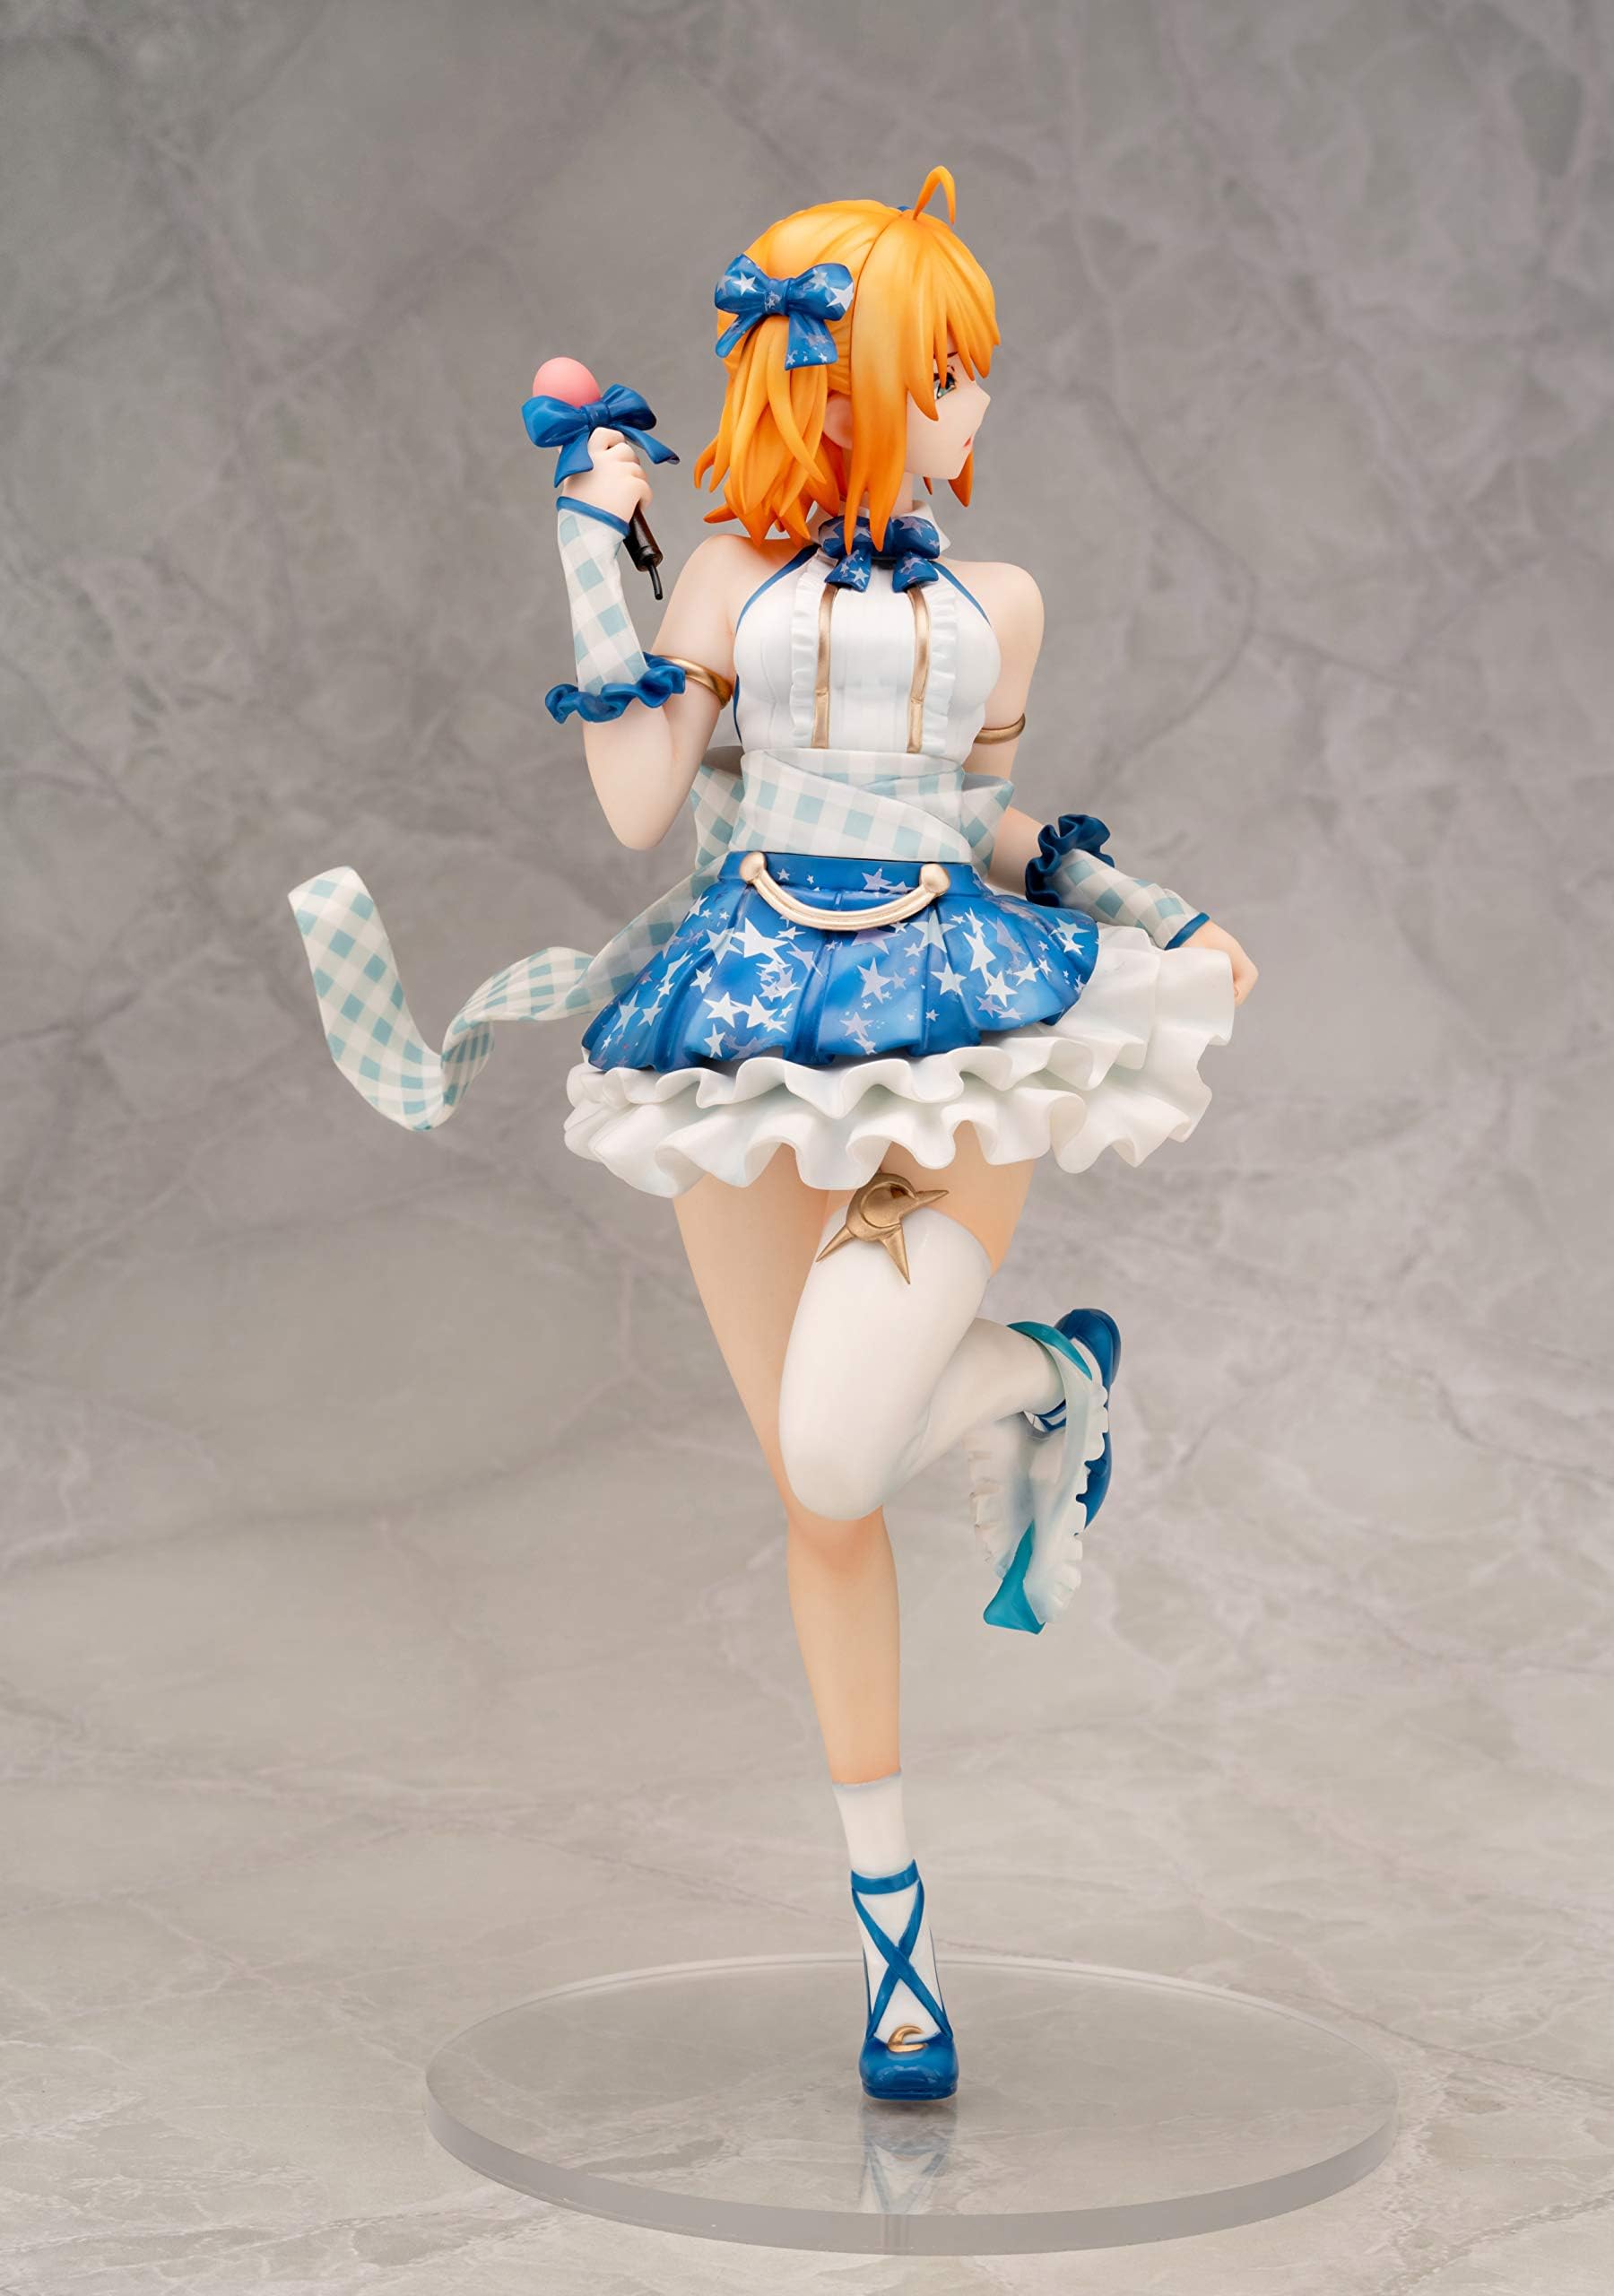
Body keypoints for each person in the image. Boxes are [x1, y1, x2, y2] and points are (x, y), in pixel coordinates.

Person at [289, 166, 1256, 2104]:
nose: (977, 403)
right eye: (949, 370)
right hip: (735, 1027)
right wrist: (593, 548)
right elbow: (642, 801)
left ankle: (1048, 1379)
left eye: (974, 370)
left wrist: (1153, 912)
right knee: (820, 1503)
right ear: (851, 378)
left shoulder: (999, 604)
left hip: (952, 1020)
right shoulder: (724, 580)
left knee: (840, 1435)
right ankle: (897, 1952)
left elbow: (982, 823)